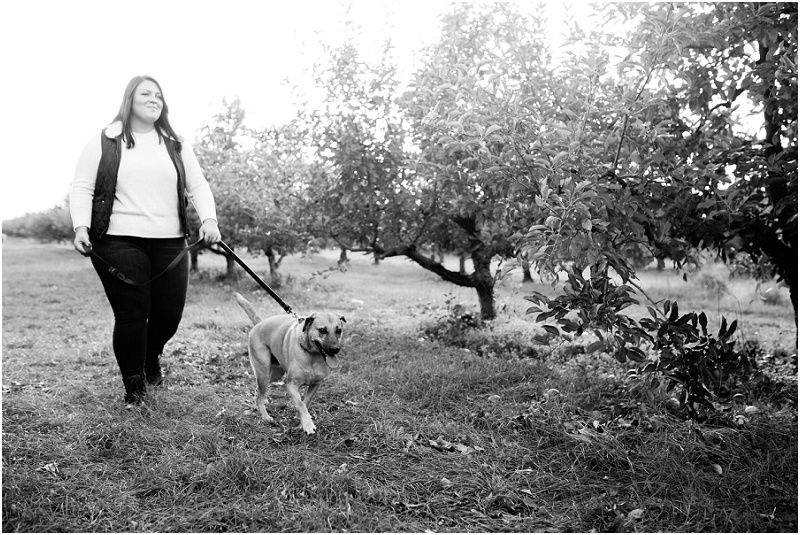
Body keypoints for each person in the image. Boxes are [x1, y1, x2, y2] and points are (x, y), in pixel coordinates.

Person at [70, 74, 221, 408]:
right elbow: (82, 186)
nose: (154, 100)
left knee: (169, 315)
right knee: (132, 312)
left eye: (158, 95)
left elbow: (197, 184)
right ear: (130, 100)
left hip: (170, 240)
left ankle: (151, 355)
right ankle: (134, 386)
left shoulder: (175, 143)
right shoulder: (105, 139)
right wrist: (81, 227)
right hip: (117, 239)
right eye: (146, 94)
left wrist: (209, 219)